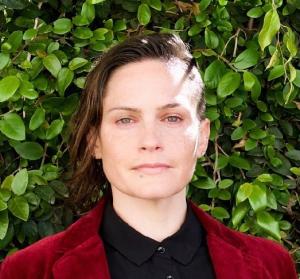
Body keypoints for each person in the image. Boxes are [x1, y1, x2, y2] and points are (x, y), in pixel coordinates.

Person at [0, 33, 297, 279]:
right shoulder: (27, 272)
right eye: (126, 120)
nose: (150, 141)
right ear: (95, 142)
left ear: (203, 136)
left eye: (171, 118)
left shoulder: (271, 267)